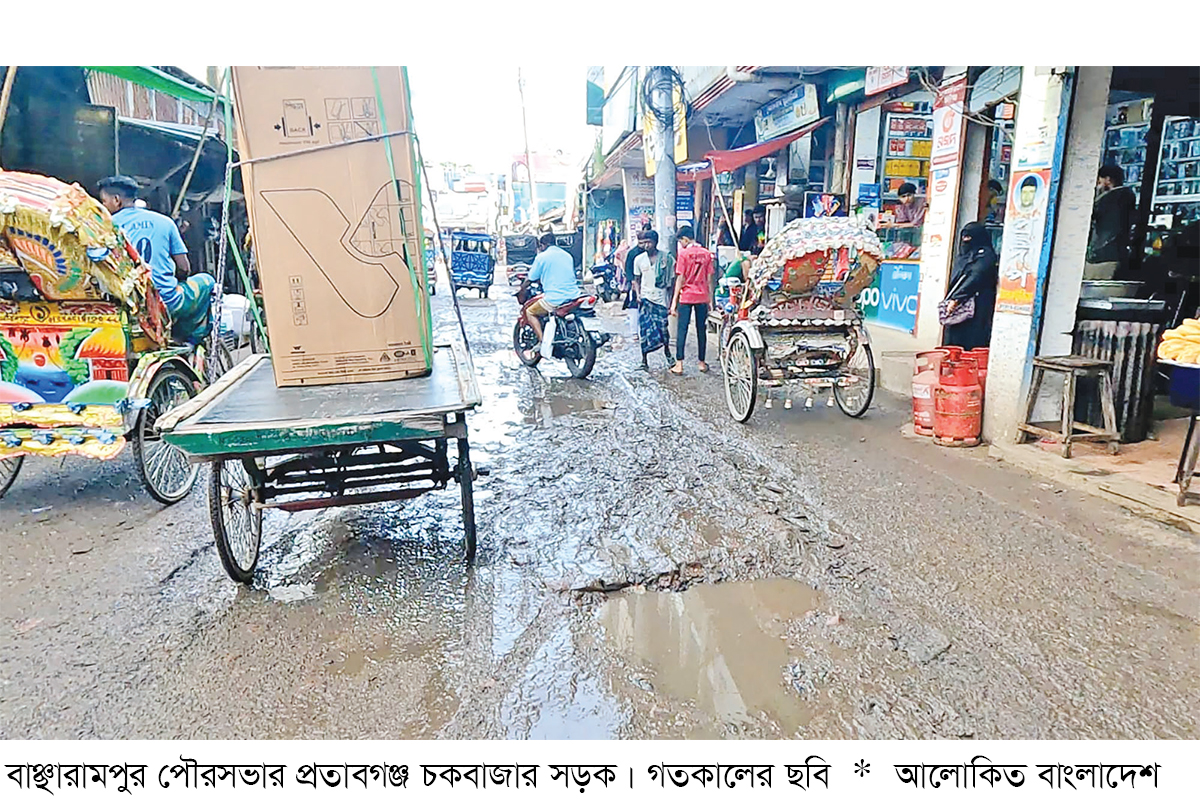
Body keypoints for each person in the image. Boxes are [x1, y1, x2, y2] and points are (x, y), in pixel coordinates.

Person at [98, 176, 215, 344]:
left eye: (104, 202)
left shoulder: (106, 228)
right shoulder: (165, 222)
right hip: (166, 301)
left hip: (130, 306)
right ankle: (190, 339)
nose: (104, 207)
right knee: (207, 281)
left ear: (116, 200)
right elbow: (184, 268)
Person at [519, 232, 581, 360]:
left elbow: (531, 277)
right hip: (574, 295)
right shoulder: (567, 255)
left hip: (555, 298)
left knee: (530, 312)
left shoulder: (542, 257)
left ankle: (543, 342)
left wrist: (522, 288)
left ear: (543, 245)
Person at [941, 222, 999, 351]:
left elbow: (976, 276)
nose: (965, 241)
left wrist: (957, 298)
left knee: (972, 341)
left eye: (969, 238)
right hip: (958, 307)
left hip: (978, 306)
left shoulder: (986, 255)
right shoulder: (962, 256)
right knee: (954, 339)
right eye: (964, 237)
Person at [669, 225, 715, 375]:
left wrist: (674, 302)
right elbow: (709, 279)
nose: (681, 244)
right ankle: (701, 362)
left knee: (682, 329)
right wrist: (710, 301)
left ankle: (679, 364)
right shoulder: (707, 254)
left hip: (687, 296)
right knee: (701, 329)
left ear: (686, 239)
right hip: (702, 296)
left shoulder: (683, 255)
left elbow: (680, 279)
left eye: (681, 241)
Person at [1085, 164, 1137, 280]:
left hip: (1103, 255)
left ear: (1108, 179)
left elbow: (1091, 215)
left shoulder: (1109, 198)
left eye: (1100, 180)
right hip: (1116, 252)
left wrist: (1097, 194)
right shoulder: (1128, 196)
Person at [632, 230, 674, 371]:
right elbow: (636, 280)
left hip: (661, 300)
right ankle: (644, 360)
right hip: (645, 299)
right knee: (644, 331)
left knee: (663, 330)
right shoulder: (638, 260)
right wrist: (638, 295)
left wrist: (672, 302)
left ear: (655, 242)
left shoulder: (666, 259)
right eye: (643, 243)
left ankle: (668, 353)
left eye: (648, 242)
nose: (646, 245)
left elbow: (672, 282)